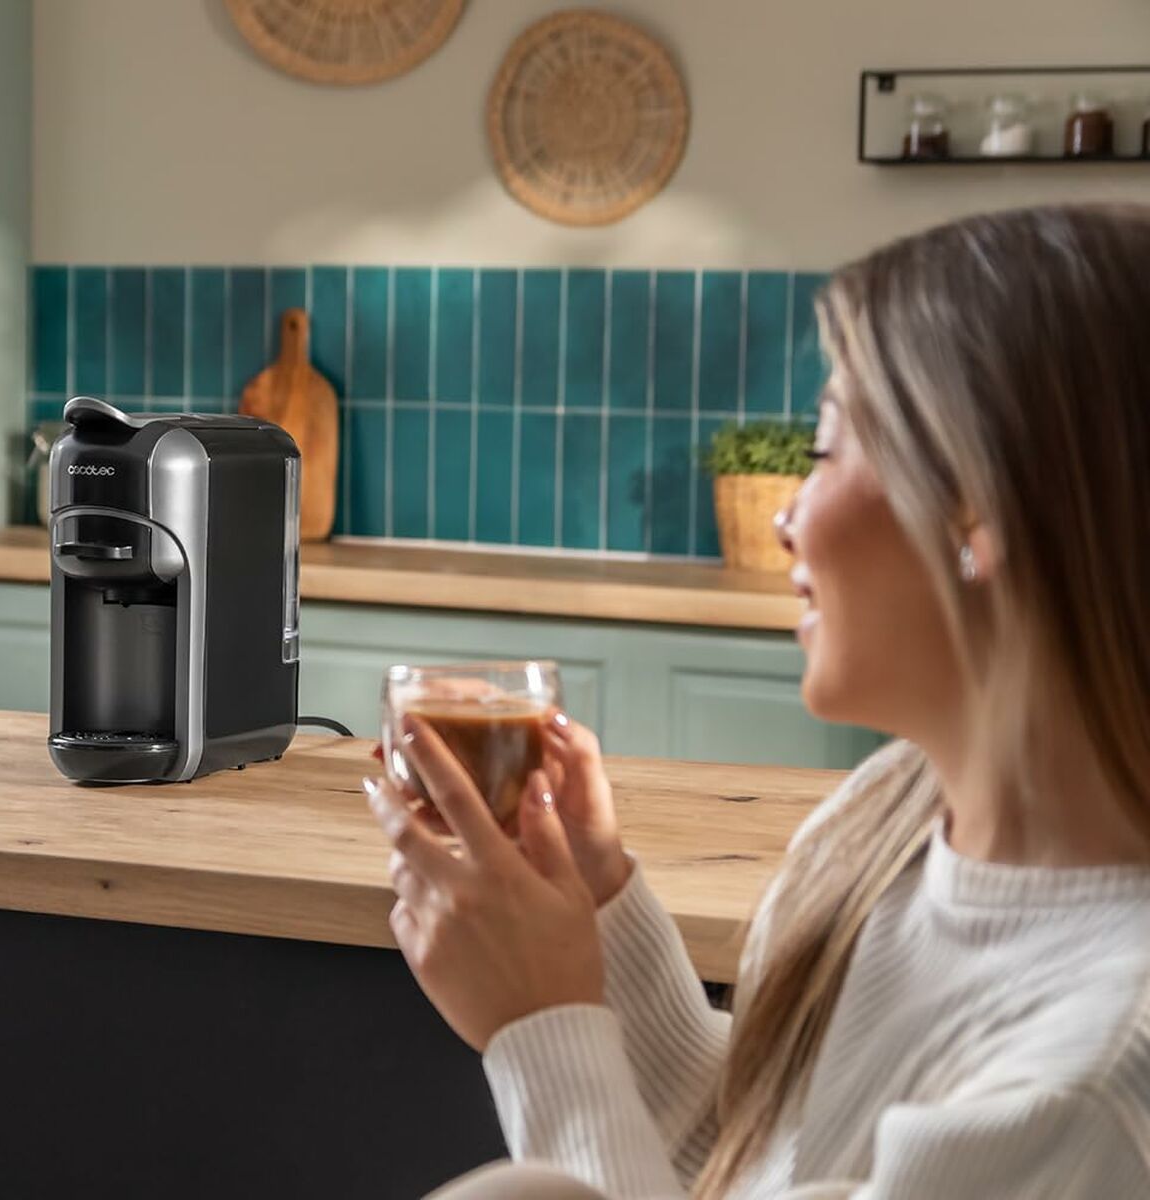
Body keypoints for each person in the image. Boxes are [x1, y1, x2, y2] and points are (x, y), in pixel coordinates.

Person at [365, 204, 1150, 1198]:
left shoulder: (1088, 1089)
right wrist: (600, 901)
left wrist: (540, 1028)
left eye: (825, 449)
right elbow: (760, 1155)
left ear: (981, 512)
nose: (784, 516)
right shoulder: (886, 819)